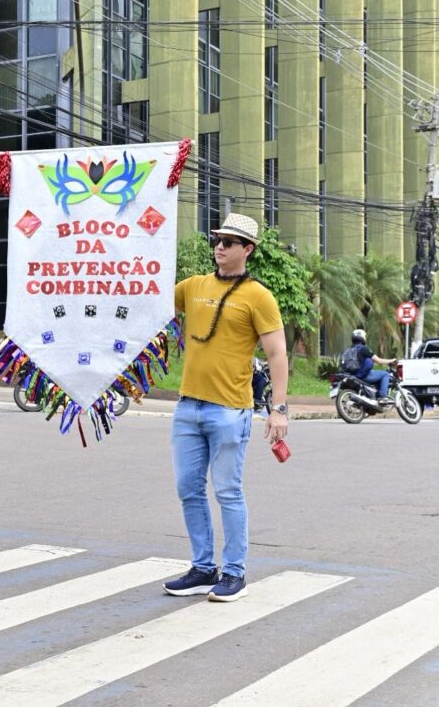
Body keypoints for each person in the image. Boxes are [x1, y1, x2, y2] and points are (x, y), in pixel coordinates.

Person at [163, 212, 290, 603]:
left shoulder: (259, 296)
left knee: (228, 491)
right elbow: (146, 300)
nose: (220, 246)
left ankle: (234, 572)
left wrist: (279, 409)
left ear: (247, 250)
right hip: (187, 408)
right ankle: (203, 567)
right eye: (217, 239)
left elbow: (277, 354)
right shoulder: (193, 286)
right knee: (188, 489)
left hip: (229, 409)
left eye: (230, 242)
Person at [343, 329, 396, 403]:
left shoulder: (348, 350)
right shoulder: (364, 349)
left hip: (351, 375)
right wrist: (392, 360)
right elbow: (379, 361)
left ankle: (374, 395)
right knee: (385, 374)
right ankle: (383, 397)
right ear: (362, 337)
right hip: (363, 375)